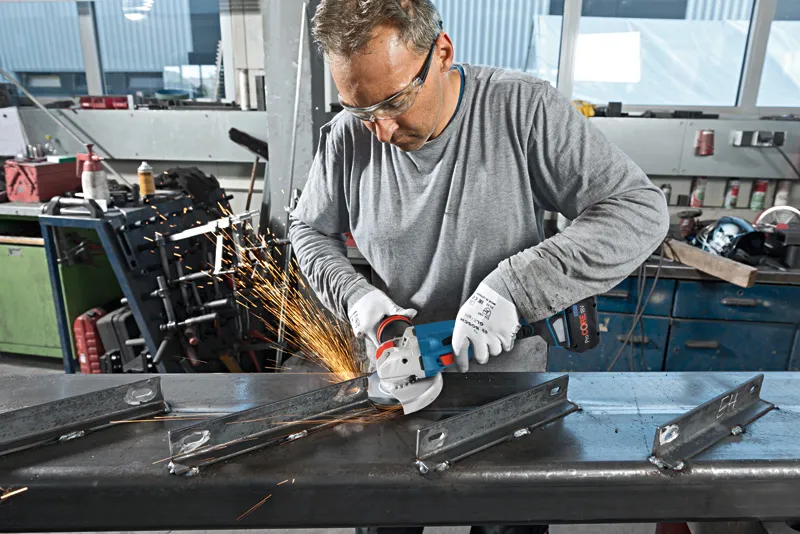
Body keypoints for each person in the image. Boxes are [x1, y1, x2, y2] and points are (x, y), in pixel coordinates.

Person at [288, 1, 669, 532]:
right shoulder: (349, 136)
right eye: (360, 108)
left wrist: (516, 289)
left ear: (441, 52)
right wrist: (358, 297)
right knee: (385, 519)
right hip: (396, 380)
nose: (381, 130)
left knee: (505, 523)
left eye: (395, 100)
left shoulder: (522, 109)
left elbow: (640, 210)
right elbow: (307, 231)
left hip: (507, 389)